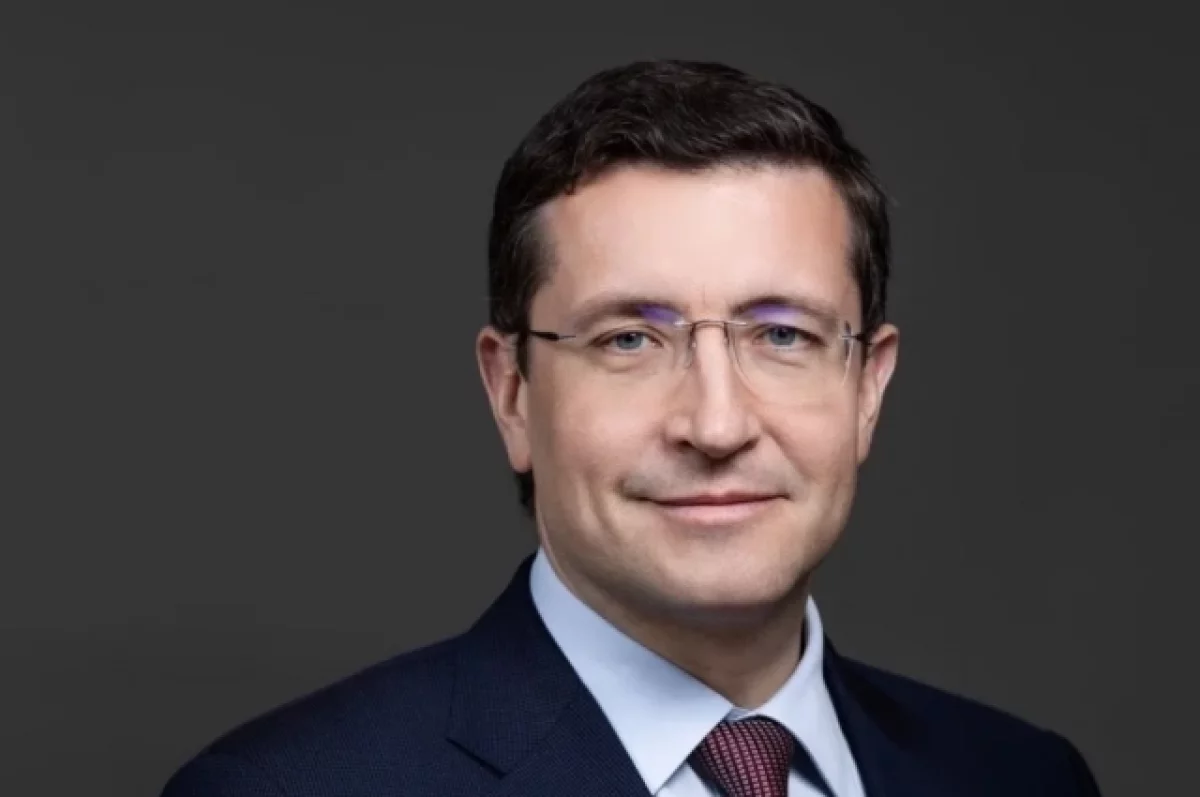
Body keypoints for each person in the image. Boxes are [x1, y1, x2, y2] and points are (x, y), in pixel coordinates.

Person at [161, 59, 1103, 797]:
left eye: (782, 334)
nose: (717, 423)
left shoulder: (1021, 778)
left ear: (868, 387)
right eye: (628, 339)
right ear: (512, 391)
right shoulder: (289, 790)